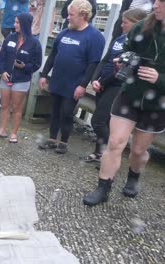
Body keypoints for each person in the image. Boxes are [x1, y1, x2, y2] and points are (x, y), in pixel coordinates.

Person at [83, 0, 165, 206]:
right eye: (155, 1)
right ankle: (103, 187)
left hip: (157, 104)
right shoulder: (143, 26)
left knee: (138, 150)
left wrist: (159, 78)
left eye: (162, 2)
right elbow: (127, 49)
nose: (155, 6)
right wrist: (123, 59)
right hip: (130, 93)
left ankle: (134, 175)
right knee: (115, 142)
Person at [38, 0, 105, 154]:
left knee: (66, 112)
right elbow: (53, 55)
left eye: (71, 14)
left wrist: (83, 85)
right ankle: (52, 139)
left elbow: (93, 64)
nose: (67, 17)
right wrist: (43, 74)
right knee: (54, 110)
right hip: (58, 79)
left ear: (83, 15)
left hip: (74, 83)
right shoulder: (64, 32)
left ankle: (64, 142)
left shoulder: (94, 36)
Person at [84, 8, 147, 163]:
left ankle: (109, 156)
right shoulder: (119, 39)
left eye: (125, 22)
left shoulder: (138, 44)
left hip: (117, 86)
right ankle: (99, 153)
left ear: (136, 24)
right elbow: (105, 60)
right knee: (105, 122)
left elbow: (124, 69)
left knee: (97, 121)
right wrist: (94, 79)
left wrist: (102, 82)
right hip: (102, 84)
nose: (122, 25)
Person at [0, 13, 42, 142]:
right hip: (6, 78)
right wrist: (1, 72)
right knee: (4, 106)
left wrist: (24, 66)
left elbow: (37, 64)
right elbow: (0, 58)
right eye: (15, 22)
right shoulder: (10, 38)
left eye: (17, 22)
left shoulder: (34, 43)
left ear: (25, 24)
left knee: (17, 108)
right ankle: (2, 130)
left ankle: (13, 133)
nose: (15, 25)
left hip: (21, 80)